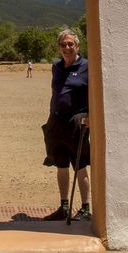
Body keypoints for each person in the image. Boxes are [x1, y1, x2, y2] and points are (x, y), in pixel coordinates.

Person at [42, 29, 90, 221]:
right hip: (56, 121)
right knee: (60, 164)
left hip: (77, 122)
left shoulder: (87, 66)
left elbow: (94, 94)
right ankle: (64, 207)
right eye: (63, 45)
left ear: (77, 46)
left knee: (80, 165)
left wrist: (90, 116)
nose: (67, 48)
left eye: (70, 44)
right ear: (59, 47)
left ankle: (85, 209)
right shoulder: (56, 67)